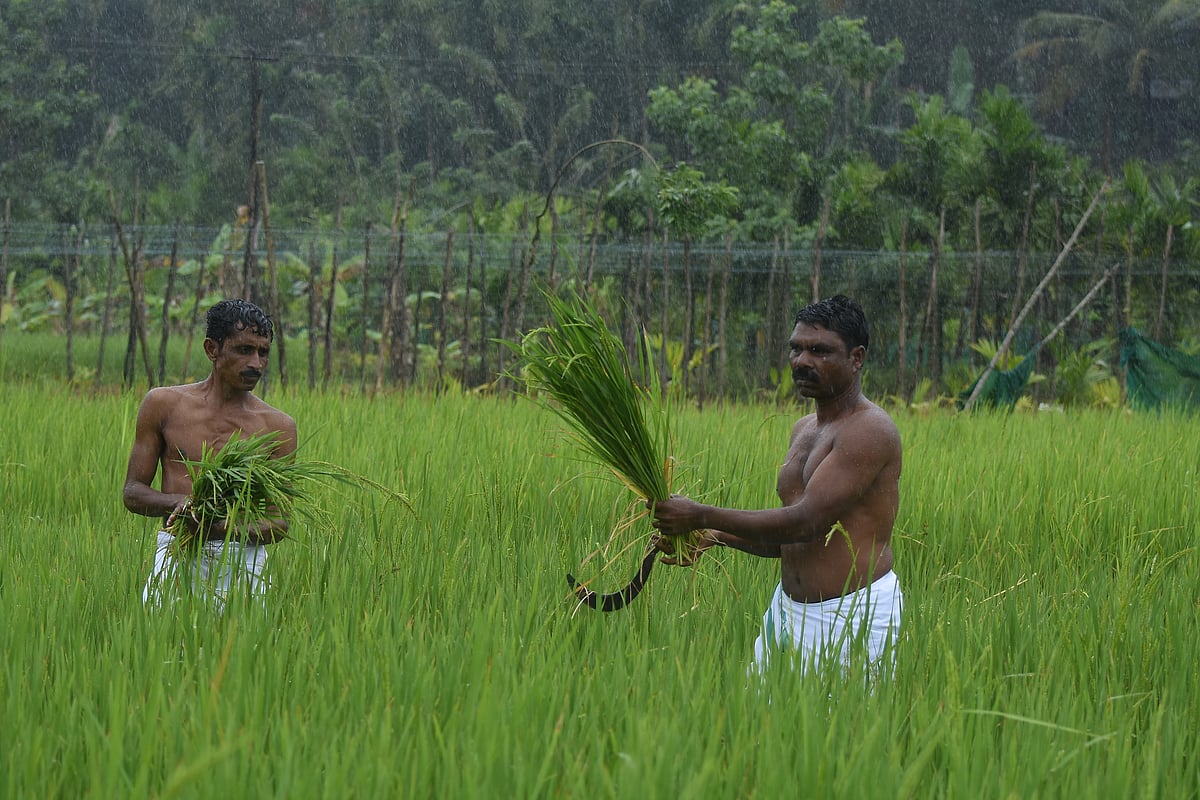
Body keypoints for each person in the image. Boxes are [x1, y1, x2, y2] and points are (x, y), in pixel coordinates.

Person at [650, 295, 903, 675]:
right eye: (796, 349)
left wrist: (700, 513)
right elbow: (793, 540)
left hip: (851, 614)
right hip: (786, 611)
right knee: (764, 728)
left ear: (857, 358)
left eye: (819, 351)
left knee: (840, 733)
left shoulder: (870, 430)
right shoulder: (804, 430)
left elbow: (807, 521)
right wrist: (713, 534)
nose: (802, 361)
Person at [124, 298, 297, 610]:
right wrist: (179, 504)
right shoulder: (163, 405)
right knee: (162, 649)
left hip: (242, 561)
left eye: (263, 352)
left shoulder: (278, 427)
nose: (256, 363)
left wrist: (219, 528)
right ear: (212, 350)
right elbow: (133, 492)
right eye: (244, 350)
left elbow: (278, 522)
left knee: (238, 654)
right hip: (177, 551)